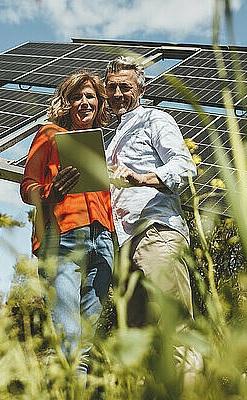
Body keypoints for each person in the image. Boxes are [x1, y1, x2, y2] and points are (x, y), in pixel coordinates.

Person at [19, 71, 114, 376]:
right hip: (61, 239)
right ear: (66, 103)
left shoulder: (104, 146)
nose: (84, 102)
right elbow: (27, 186)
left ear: (100, 103)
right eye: (76, 97)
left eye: (91, 96)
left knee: (85, 343)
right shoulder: (48, 135)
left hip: (103, 241)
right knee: (69, 338)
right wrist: (50, 193)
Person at [104, 56, 197, 327]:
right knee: (139, 342)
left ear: (141, 90)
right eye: (111, 88)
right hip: (121, 244)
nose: (118, 94)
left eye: (125, 87)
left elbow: (185, 167)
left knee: (175, 326)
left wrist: (142, 178)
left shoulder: (155, 119)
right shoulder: (109, 137)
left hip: (155, 233)